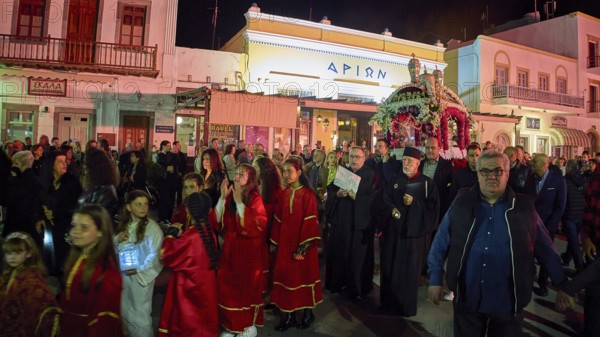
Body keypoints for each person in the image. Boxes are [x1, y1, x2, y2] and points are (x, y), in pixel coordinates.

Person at [427, 150, 565, 337]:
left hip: (508, 304)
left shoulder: (524, 209)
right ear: (477, 174)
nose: (491, 176)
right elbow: (440, 243)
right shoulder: (461, 204)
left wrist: (564, 286)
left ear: (507, 174)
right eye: (485, 171)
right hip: (468, 300)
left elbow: (546, 249)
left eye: (498, 171)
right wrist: (435, 279)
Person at [381, 147, 439, 317]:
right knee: (390, 267)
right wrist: (391, 209)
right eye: (404, 160)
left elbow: (433, 209)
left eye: (410, 161)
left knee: (408, 271)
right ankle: (388, 303)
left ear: (418, 163)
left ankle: (405, 306)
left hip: (413, 236)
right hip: (394, 233)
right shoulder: (395, 179)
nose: (406, 163)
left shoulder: (428, 183)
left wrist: (415, 203)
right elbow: (385, 199)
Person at [271, 157, 322, 331]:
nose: (285, 175)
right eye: (284, 171)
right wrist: (275, 242)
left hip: (303, 247)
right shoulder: (284, 194)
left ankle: (307, 313)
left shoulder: (308, 195)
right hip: (285, 244)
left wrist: (303, 248)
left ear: (299, 172)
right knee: (286, 279)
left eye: (289, 171)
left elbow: (310, 222)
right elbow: (277, 220)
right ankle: (288, 315)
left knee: (303, 278)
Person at [216, 164, 267, 337]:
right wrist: (223, 198)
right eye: (236, 173)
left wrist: (239, 202)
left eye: (241, 174)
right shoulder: (231, 194)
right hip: (230, 251)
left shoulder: (255, 198)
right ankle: (231, 325)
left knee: (245, 290)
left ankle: (246, 326)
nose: (237, 177)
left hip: (247, 253)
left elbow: (256, 224)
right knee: (229, 290)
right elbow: (217, 222)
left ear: (250, 179)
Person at [159, 192, 219, 337]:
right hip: (205, 291)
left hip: (189, 293)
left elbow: (165, 255)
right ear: (209, 210)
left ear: (188, 210)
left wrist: (171, 234)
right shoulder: (209, 234)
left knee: (188, 327)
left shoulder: (190, 238)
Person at [59, 204, 123, 337]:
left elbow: (104, 322)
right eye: (73, 225)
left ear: (100, 231)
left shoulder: (107, 272)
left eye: (84, 227)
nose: (76, 231)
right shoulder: (78, 259)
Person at [326, 146, 379, 302]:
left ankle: (357, 287)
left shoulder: (371, 175)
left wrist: (357, 198)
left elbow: (375, 200)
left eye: (358, 157)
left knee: (358, 258)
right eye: (352, 156)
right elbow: (329, 192)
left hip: (360, 225)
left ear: (364, 159)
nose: (354, 160)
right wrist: (337, 194)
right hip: (342, 222)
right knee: (340, 253)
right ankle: (338, 284)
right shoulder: (342, 172)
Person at [114, 190, 163, 337]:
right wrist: (117, 240)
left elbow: (155, 257)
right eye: (138, 204)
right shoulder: (124, 226)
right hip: (124, 278)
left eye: (145, 204)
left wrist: (139, 271)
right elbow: (114, 247)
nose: (143, 207)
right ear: (128, 207)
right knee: (124, 311)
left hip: (141, 280)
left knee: (140, 316)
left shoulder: (153, 229)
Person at [0, 232, 60, 336]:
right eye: (8, 253)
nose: (12, 257)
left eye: (17, 253)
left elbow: (43, 304)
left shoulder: (32, 278)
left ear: (28, 253)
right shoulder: (8, 274)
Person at [524, 153, 567, 296]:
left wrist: (550, 225)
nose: (531, 165)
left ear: (545, 165)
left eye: (535, 163)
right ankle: (528, 282)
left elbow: (560, 206)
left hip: (547, 227)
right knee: (529, 255)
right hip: (530, 225)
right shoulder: (530, 178)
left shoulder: (558, 181)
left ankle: (543, 284)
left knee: (546, 257)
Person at [41, 151, 83, 276]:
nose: (64, 164)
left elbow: (77, 204)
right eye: (60, 162)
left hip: (65, 227)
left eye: (65, 162)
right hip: (47, 230)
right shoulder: (44, 182)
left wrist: (56, 213)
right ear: (52, 164)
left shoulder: (72, 182)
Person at [253, 157, 284, 305]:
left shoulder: (276, 192)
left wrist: (274, 238)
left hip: (269, 234)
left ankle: (269, 296)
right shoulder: (256, 186)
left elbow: (278, 217)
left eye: (256, 167)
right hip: (258, 233)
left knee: (269, 265)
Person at [2, 151, 46, 247]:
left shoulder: (19, 182)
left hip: (20, 225)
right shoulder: (35, 180)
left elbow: (8, 198)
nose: (13, 166)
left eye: (16, 163)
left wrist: (12, 179)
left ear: (24, 164)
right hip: (30, 227)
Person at [79, 147, 120, 223]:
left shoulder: (105, 191)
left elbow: (94, 216)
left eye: (86, 164)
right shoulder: (95, 186)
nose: (84, 167)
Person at [419, 137, 453, 225]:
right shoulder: (419, 165)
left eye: (433, 148)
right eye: (427, 147)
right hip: (421, 208)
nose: (430, 150)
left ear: (439, 148)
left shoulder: (447, 167)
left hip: (439, 209)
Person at [560, 159, 586, 272]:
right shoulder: (583, 179)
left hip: (569, 213)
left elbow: (562, 199)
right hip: (581, 212)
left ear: (568, 168)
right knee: (573, 239)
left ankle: (580, 267)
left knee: (574, 242)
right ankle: (566, 257)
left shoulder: (565, 180)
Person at [156, 140, 178, 223]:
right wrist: (171, 154)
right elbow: (166, 162)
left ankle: (169, 217)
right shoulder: (160, 155)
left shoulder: (170, 155)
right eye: (168, 146)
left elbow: (175, 164)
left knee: (171, 200)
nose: (170, 147)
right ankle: (162, 217)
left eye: (170, 146)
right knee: (164, 199)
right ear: (163, 146)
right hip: (164, 181)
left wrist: (176, 154)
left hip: (171, 180)